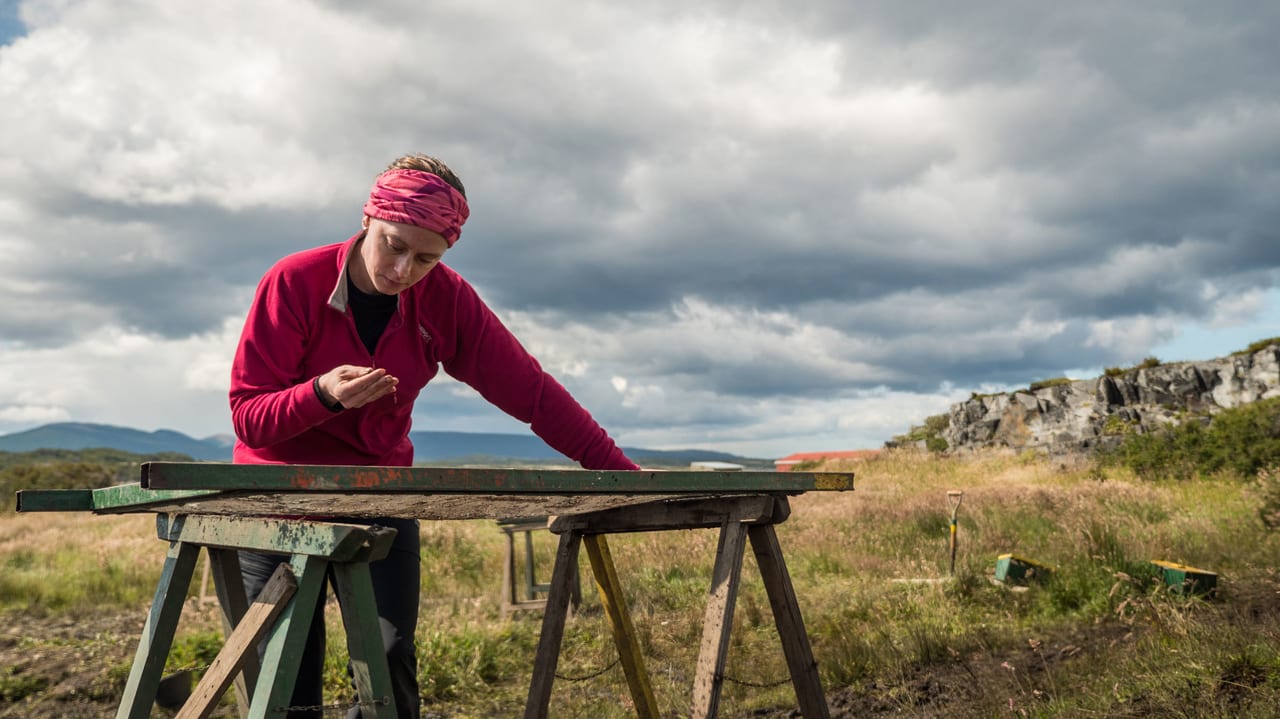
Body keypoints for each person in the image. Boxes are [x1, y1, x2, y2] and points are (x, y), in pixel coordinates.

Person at [229, 153, 638, 718]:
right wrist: (320, 394)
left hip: (379, 495)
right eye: (394, 245)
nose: (402, 270)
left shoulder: (444, 298)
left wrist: (620, 472)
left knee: (390, 660)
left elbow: (533, 394)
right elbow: (249, 416)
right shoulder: (294, 281)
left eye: (426, 258)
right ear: (368, 219)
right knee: (290, 675)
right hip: (278, 498)